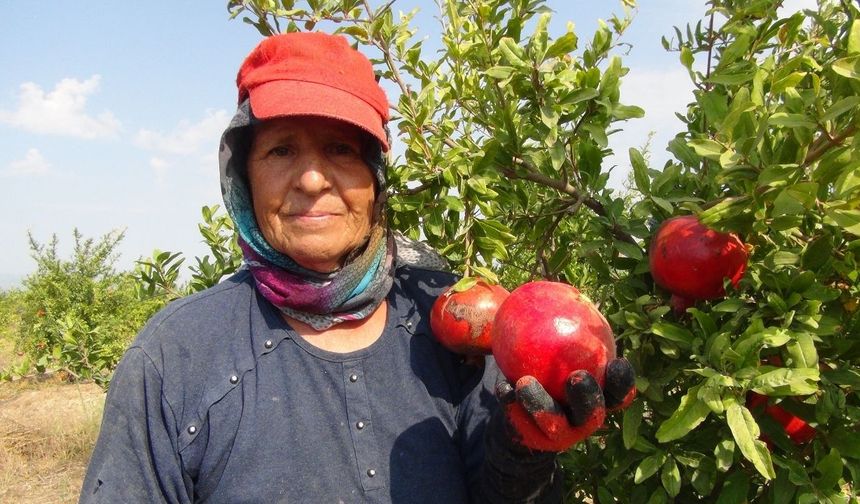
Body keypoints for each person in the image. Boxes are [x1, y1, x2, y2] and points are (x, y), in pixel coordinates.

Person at [79, 32, 635, 503]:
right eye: (280, 151)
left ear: (375, 180)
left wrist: (525, 454)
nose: (313, 179)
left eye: (341, 150)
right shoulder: (176, 359)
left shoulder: (456, 327)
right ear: (242, 177)